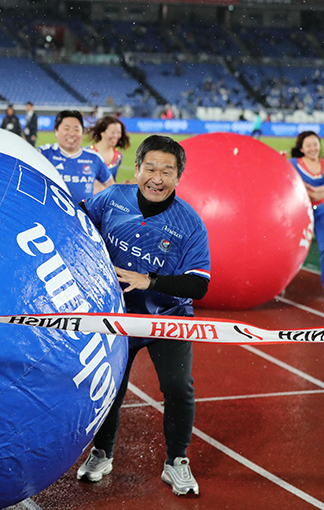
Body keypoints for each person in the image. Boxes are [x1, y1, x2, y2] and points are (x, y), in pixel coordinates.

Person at [76, 135, 210, 497]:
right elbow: (79, 223)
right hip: (115, 317)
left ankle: (176, 462)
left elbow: (198, 286)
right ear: (136, 170)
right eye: (150, 168)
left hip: (167, 319)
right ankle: (102, 453)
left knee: (179, 389)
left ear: (178, 178)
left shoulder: (190, 224)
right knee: (110, 390)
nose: (157, 177)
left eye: (167, 171)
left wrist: (149, 280)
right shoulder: (112, 198)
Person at [38, 110, 114, 204]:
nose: (72, 133)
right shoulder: (43, 154)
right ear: (56, 130)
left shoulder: (93, 158)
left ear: (82, 132)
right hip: (50, 215)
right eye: (67, 129)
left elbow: (110, 184)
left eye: (76, 129)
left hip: (82, 216)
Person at [290, 131, 324, 288]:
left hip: (321, 213)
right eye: (308, 145)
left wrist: (313, 192)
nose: (312, 148)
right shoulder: (292, 163)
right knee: (287, 248)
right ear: (301, 148)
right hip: (298, 214)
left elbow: (314, 195)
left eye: (315, 144)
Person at [89, 115, 131, 180]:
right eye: (113, 132)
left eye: (119, 132)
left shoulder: (118, 156)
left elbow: (111, 183)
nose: (116, 136)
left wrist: (123, 186)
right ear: (102, 133)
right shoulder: (88, 153)